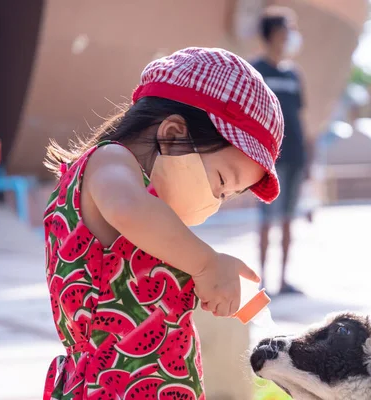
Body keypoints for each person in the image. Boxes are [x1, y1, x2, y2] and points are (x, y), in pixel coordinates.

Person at [42, 47, 284, 399]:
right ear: (172, 134)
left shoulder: (156, 229)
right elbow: (126, 206)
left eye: (227, 195)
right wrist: (205, 264)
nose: (214, 202)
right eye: (220, 181)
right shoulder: (110, 163)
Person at [252, 6, 313, 295]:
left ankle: (283, 279)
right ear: (275, 33)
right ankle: (263, 279)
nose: (292, 35)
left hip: (295, 157)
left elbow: (301, 119)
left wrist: (310, 159)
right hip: (268, 161)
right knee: (266, 220)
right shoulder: (256, 71)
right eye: (289, 28)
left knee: (289, 219)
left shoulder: (294, 75)